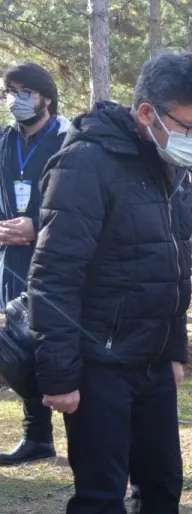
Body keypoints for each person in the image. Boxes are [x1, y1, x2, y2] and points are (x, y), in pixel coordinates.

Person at [28, 53, 192, 514]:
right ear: (147, 114)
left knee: (164, 482)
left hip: (146, 361)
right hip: (95, 364)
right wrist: (57, 375)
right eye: (189, 126)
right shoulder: (85, 164)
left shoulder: (168, 170)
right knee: (100, 498)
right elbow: (54, 274)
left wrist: (172, 351)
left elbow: (170, 271)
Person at [0, 63, 69, 466]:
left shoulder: (68, 138)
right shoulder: (5, 141)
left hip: (58, 258)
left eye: (24, 91)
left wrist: (38, 225)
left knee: (60, 343)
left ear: (46, 96)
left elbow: (82, 202)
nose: (15, 99)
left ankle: (88, 437)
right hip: (13, 260)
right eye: (10, 91)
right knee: (19, 349)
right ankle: (37, 438)